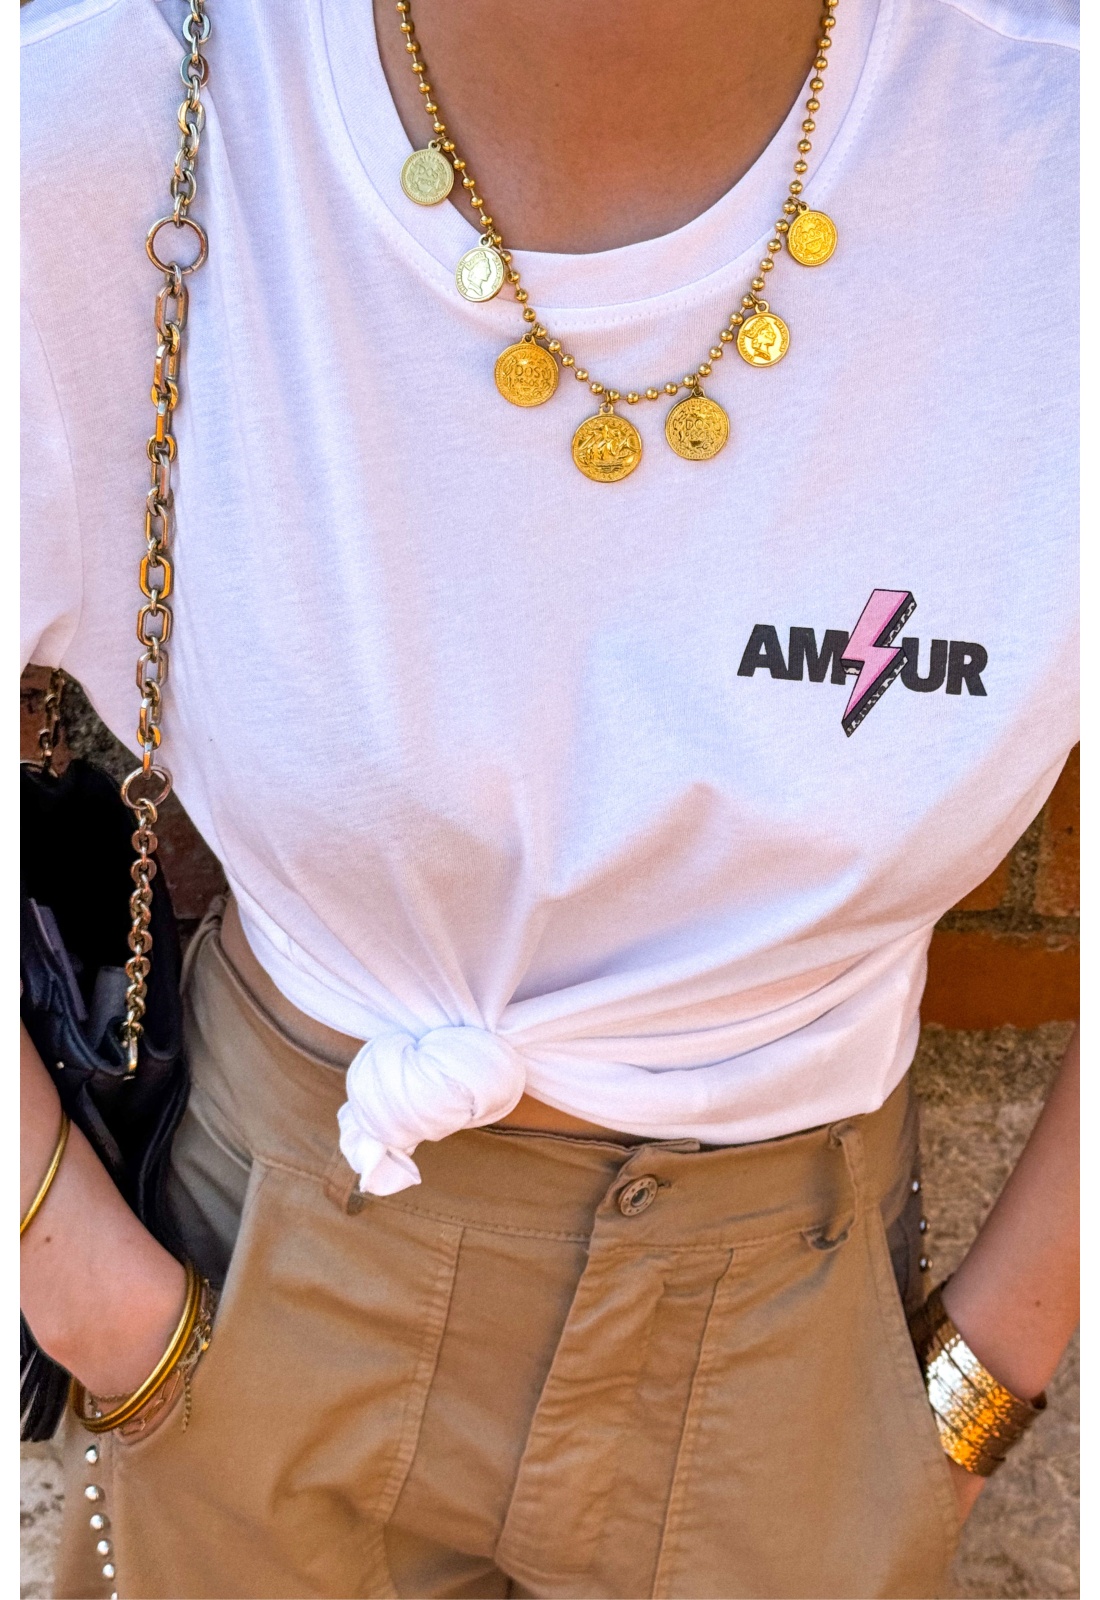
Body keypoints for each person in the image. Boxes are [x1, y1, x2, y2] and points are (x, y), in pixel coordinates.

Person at [20, 0, 1078, 1595]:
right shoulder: (123, 106)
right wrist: (87, 1290)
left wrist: (980, 1381)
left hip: (792, 1364)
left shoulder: (1048, 137)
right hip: (262, 1283)